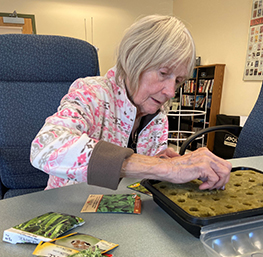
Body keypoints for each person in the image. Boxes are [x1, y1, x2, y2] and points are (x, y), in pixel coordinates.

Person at [30, 15, 231, 192]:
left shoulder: (158, 115)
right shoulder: (91, 92)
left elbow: (146, 171)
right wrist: (165, 168)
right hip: (70, 208)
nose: (170, 91)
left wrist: (176, 164)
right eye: (163, 73)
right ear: (131, 59)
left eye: (178, 81)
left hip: (122, 211)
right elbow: (44, 148)